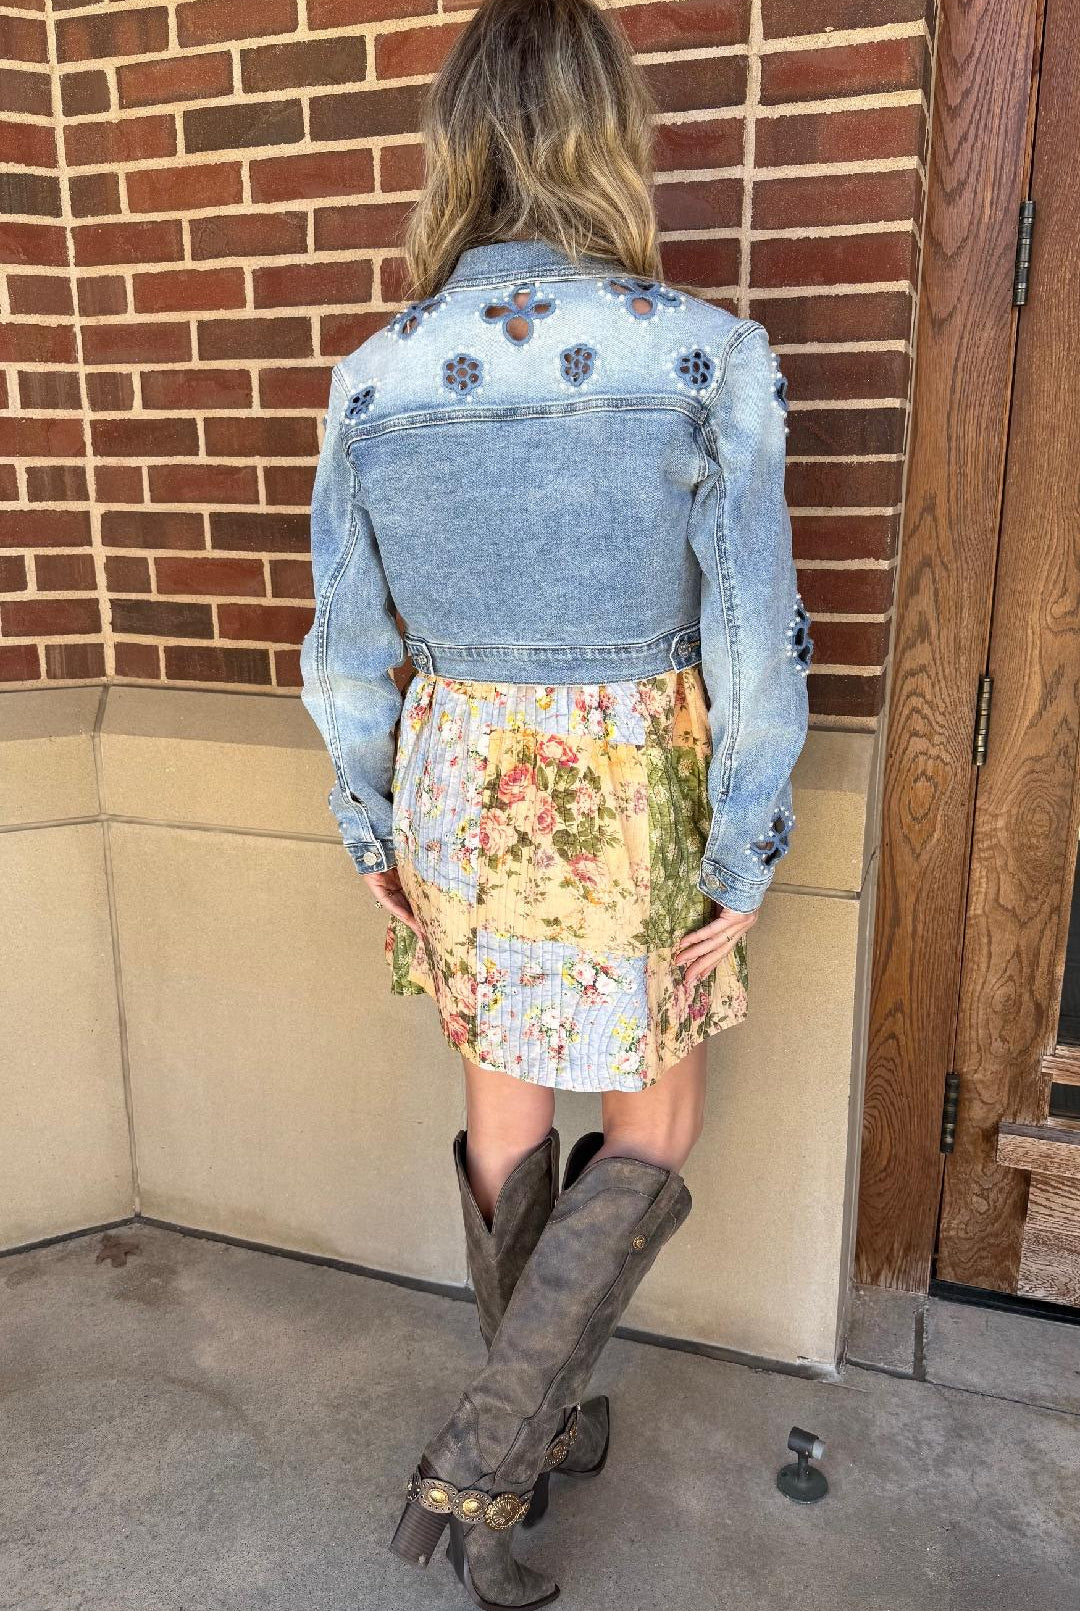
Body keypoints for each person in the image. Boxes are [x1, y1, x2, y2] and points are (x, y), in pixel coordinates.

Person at [299, 0, 811, 1603]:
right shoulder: (706, 355)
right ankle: (493, 1455)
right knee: (653, 1125)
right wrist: (748, 836)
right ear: (611, 136)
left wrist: (369, 818)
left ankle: (512, 1454)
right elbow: (753, 636)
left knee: (504, 1110)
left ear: (457, 143)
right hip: (631, 790)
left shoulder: (373, 378)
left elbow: (345, 646)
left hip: (458, 782)